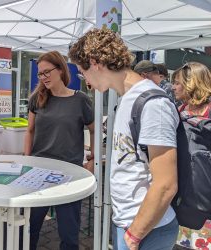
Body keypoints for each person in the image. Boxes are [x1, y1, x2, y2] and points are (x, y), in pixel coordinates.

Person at [69, 28, 179, 250]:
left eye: (83, 73)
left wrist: (135, 234)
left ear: (95, 62)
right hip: (130, 223)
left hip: (147, 230)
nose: (86, 82)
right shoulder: (127, 99)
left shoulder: (152, 105)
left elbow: (166, 184)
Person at [24, 50, 95, 250]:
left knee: (69, 232)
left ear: (61, 70)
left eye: (47, 72)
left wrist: (93, 159)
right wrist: (26, 161)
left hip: (70, 174)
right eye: (40, 74)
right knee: (30, 227)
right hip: (38, 172)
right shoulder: (37, 98)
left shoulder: (80, 100)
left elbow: (94, 129)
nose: (43, 77)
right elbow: (29, 131)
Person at [171, 62, 211, 250]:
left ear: (192, 83)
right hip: (181, 195)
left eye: (178, 83)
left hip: (204, 197)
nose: (173, 87)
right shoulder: (179, 111)